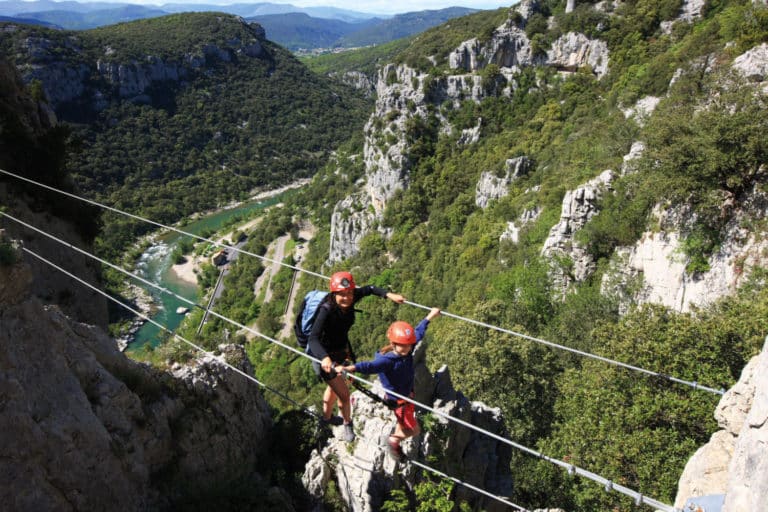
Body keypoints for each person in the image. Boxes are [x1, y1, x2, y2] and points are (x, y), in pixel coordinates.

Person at [307, 271, 405, 442]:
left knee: (333, 387)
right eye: (342, 295)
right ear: (334, 294)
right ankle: (347, 424)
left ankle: (326, 417)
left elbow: (370, 289)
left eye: (350, 293)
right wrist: (324, 358)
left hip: (340, 351)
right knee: (344, 396)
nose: (347, 298)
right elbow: (313, 338)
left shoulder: (352, 296)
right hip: (324, 357)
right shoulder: (326, 310)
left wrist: (389, 295)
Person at [336, 307, 441, 460]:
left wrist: (430, 316)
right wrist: (349, 368)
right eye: (403, 345)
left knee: (403, 422)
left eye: (409, 345)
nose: (408, 348)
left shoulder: (406, 348)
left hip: (405, 396)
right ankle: (393, 440)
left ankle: (396, 439)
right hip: (400, 401)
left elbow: (418, 333)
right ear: (393, 343)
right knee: (415, 430)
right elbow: (369, 366)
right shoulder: (387, 360)